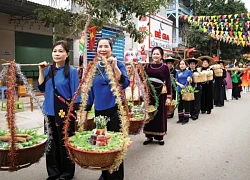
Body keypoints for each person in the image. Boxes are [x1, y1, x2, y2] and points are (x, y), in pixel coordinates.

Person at [83, 37, 130, 180]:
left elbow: (125, 83)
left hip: (115, 110)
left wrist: (115, 68)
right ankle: (105, 174)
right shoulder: (94, 67)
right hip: (99, 112)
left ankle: (116, 176)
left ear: (111, 49)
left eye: (106, 46)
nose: (102, 49)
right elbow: (89, 91)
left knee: (115, 145)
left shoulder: (119, 64)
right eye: (100, 46)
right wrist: (85, 112)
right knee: (102, 144)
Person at [38, 40, 81, 180]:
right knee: (51, 145)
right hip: (48, 112)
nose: (57, 53)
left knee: (65, 144)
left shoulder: (72, 71)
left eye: (61, 51)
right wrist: (41, 71)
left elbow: (77, 94)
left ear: (67, 54)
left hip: (65, 114)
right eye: (55, 51)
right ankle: (53, 173)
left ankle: (67, 173)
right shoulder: (49, 69)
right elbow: (41, 88)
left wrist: (76, 113)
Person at [143, 47, 172, 145]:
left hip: (161, 94)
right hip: (149, 94)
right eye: (154, 54)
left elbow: (168, 82)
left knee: (160, 114)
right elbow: (142, 77)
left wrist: (168, 97)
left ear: (161, 56)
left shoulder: (165, 67)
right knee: (149, 113)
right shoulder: (147, 66)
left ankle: (160, 136)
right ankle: (148, 136)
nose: (155, 56)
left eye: (157, 54)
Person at [175, 60, 193, 124]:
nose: (182, 65)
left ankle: (186, 119)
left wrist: (189, 79)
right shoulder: (177, 72)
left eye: (183, 64)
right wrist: (180, 85)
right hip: (179, 89)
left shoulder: (189, 72)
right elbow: (176, 81)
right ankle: (180, 118)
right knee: (180, 104)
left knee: (186, 104)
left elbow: (191, 81)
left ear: (186, 65)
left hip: (186, 90)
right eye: (180, 64)